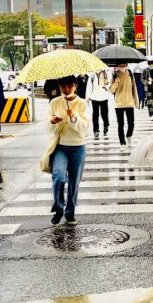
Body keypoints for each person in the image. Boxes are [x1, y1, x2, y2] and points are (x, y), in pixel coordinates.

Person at [48, 76, 91, 226]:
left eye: (69, 86)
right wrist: (52, 122)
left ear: (75, 86)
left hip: (78, 146)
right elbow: (48, 127)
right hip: (60, 146)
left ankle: (70, 212)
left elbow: (85, 127)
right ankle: (58, 207)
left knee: (74, 181)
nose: (66, 89)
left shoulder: (82, 103)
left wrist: (73, 117)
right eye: (63, 86)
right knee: (59, 176)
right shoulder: (55, 102)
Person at [110, 63, 139, 147]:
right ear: (118, 66)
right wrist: (115, 83)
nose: (122, 66)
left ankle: (129, 135)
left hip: (129, 102)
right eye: (121, 65)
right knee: (120, 124)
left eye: (124, 65)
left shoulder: (130, 74)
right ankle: (122, 143)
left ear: (127, 65)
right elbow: (111, 90)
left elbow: (134, 89)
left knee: (131, 123)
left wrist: (136, 101)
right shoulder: (115, 75)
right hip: (119, 103)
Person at [87, 68, 111, 137]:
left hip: (104, 97)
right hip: (94, 97)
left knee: (105, 114)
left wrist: (106, 84)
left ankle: (106, 125)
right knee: (95, 115)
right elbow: (89, 86)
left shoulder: (106, 74)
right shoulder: (92, 75)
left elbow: (109, 85)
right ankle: (96, 130)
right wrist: (88, 96)